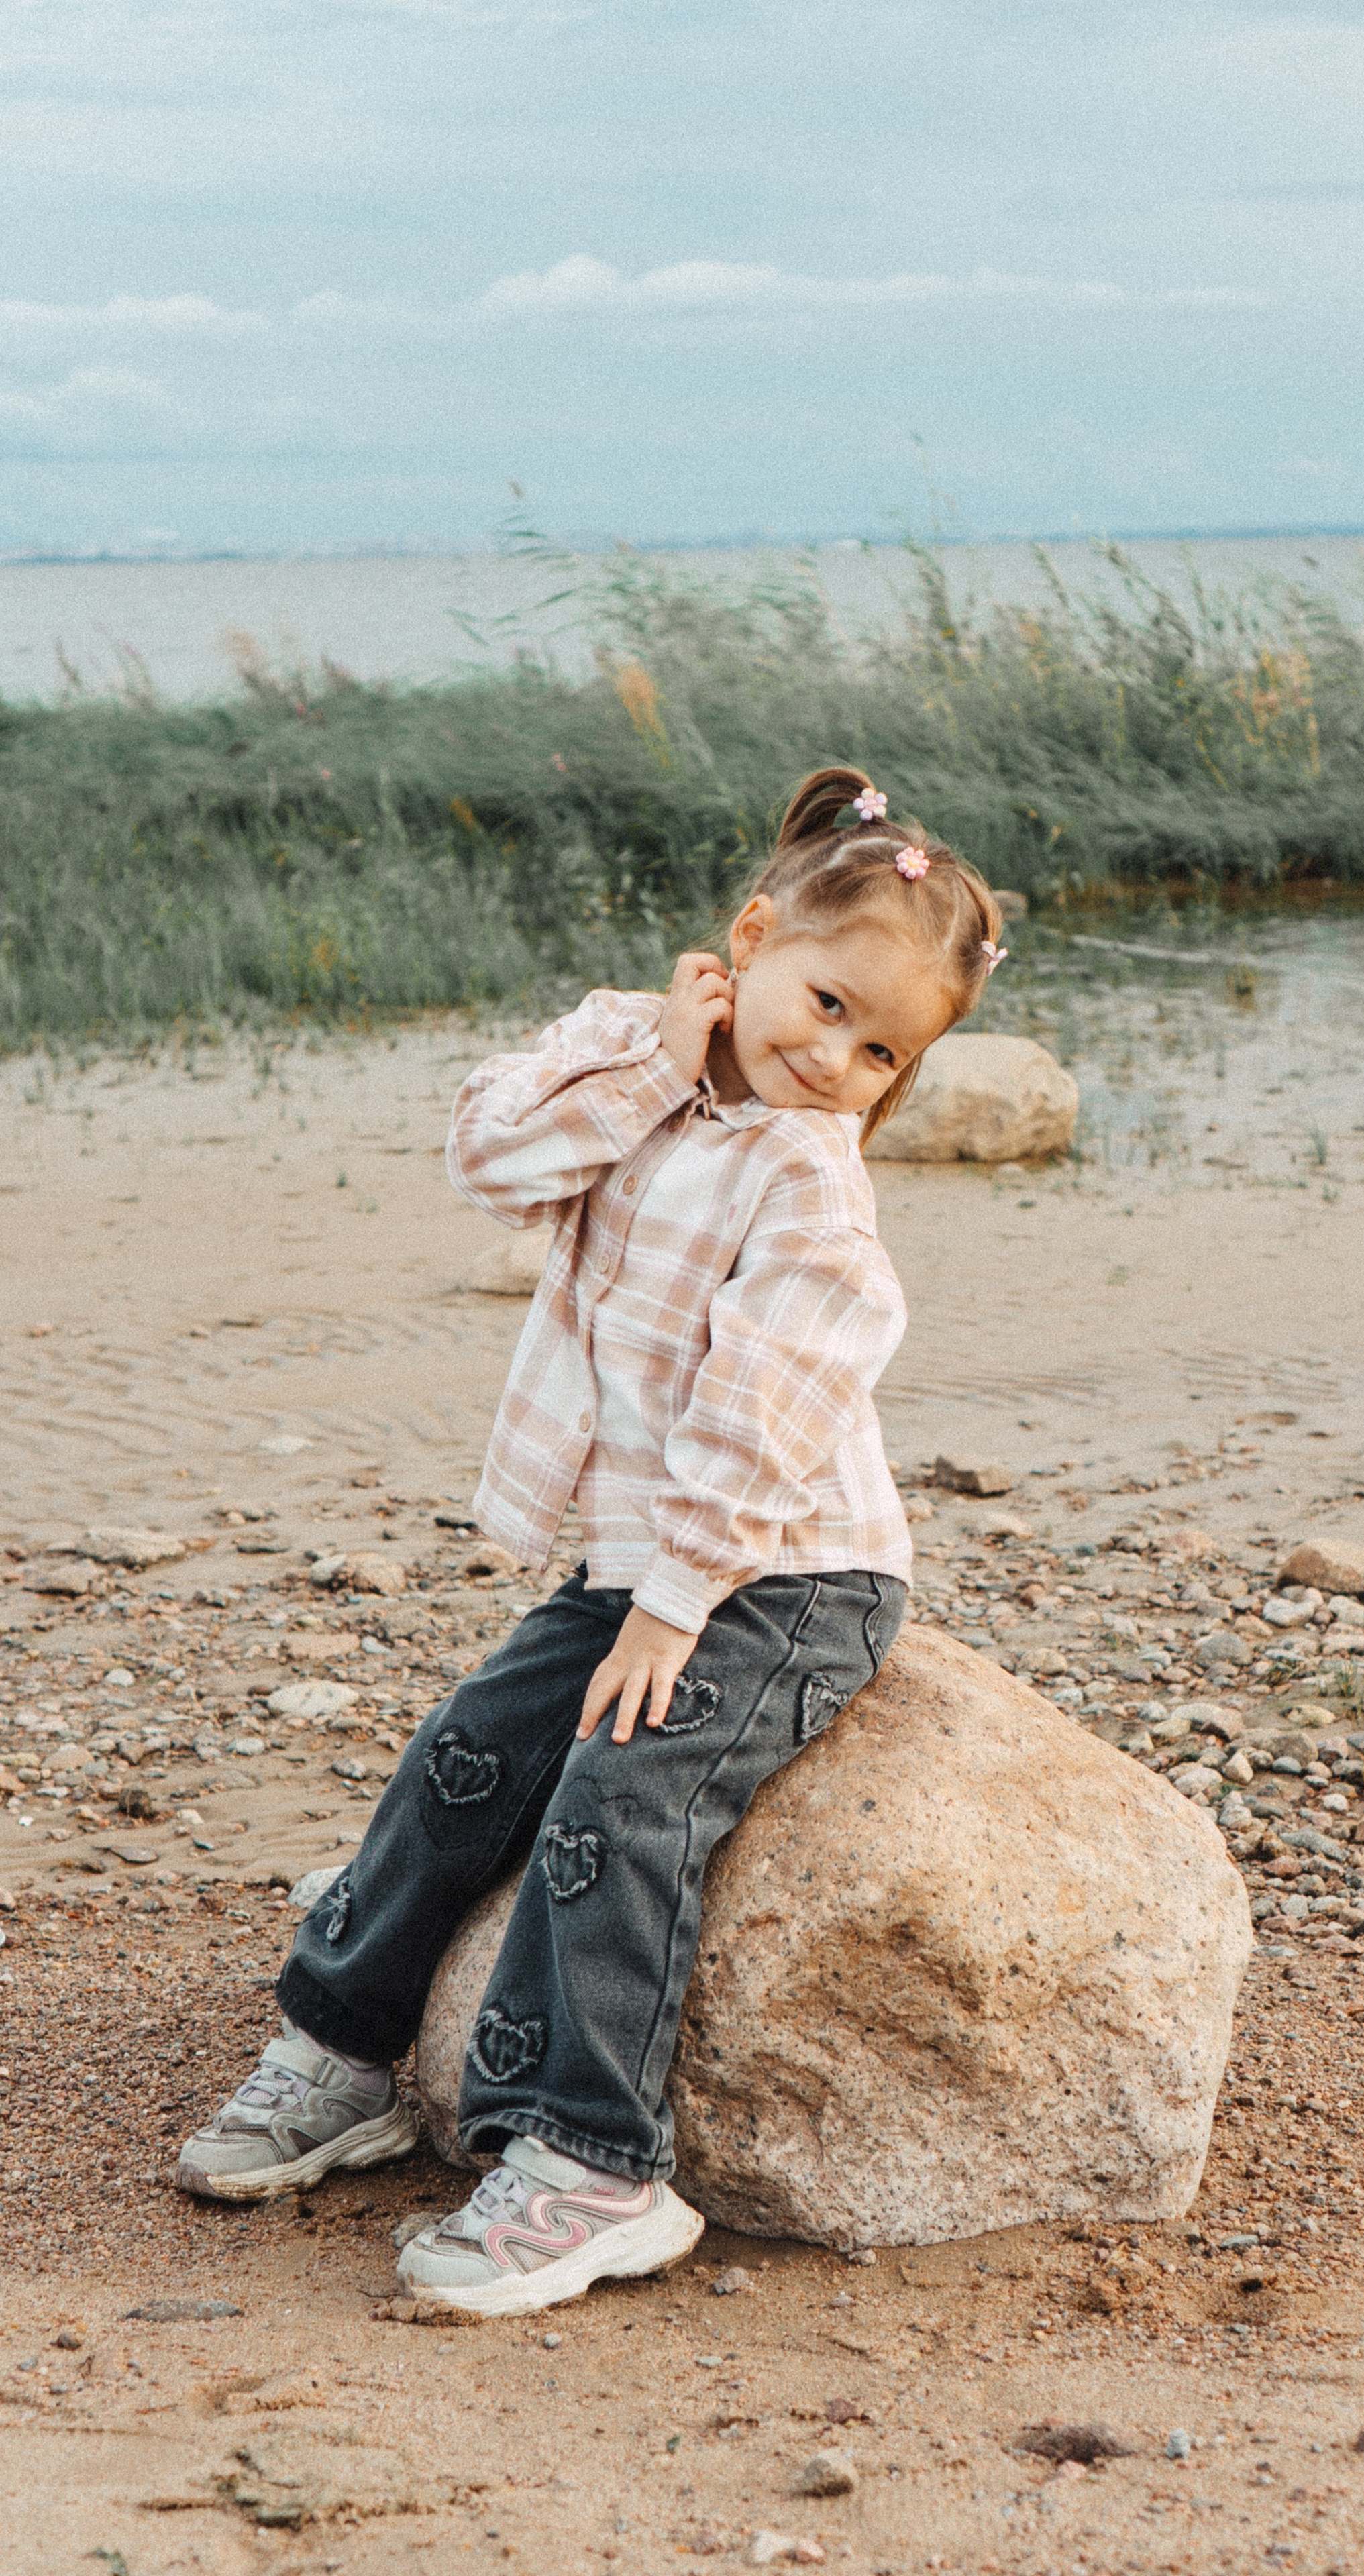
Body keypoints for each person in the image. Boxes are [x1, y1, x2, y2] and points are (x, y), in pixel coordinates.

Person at [174, 765, 1009, 2317]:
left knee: (620, 1794)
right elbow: (488, 1161)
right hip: (638, 1555)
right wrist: (647, 1065)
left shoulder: (811, 1190)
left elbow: (759, 1423)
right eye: (825, 1003)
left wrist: (674, 1610)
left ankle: (594, 2165)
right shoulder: (625, 1056)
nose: (834, 1058)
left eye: (880, 1049)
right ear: (749, 941)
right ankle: (343, 2045)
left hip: (787, 1573)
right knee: (471, 1748)